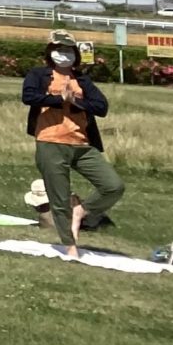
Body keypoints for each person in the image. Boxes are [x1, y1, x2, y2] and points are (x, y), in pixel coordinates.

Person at [22, 37, 120, 258]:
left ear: (75, 54)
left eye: (68, 50)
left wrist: (75, 100)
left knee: (113, 186)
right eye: (58, 49)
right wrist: (59, 99)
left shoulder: (82, 80)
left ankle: (81, 211)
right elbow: (28, 96)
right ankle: (70, 246)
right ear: (50, 52)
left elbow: (101, 107)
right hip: (50, 142)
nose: (63, 54)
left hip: (82, 144)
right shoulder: (39, 74)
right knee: (59, 197)